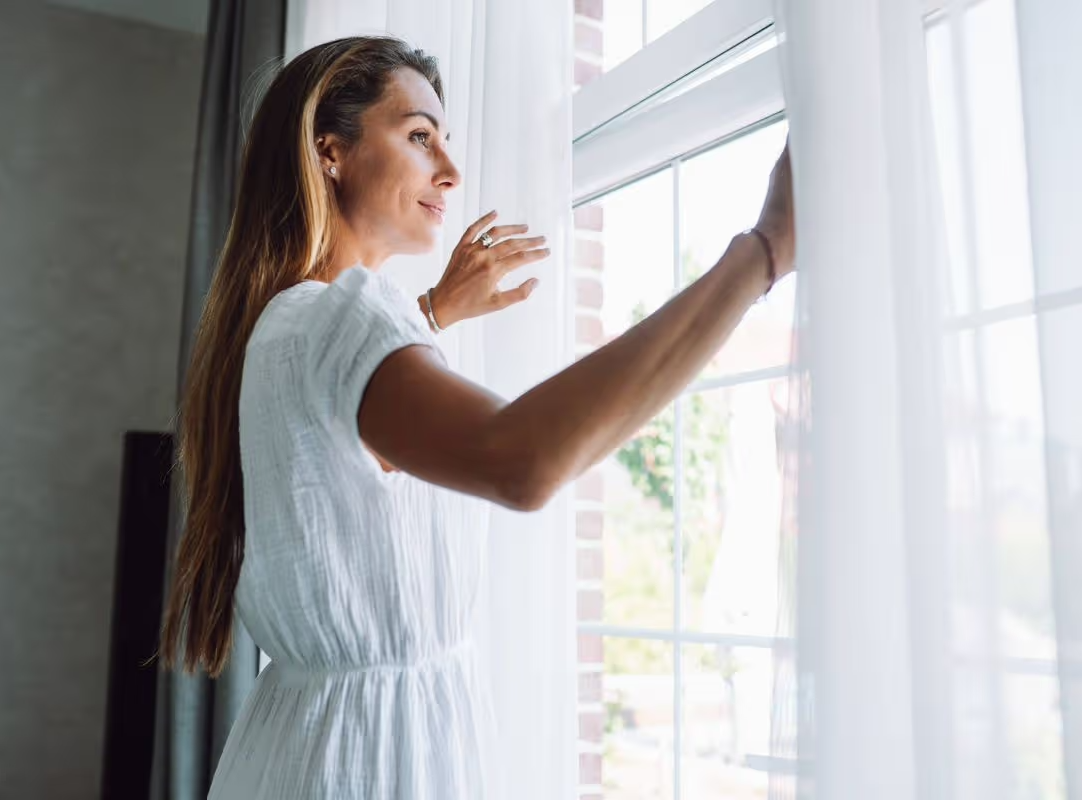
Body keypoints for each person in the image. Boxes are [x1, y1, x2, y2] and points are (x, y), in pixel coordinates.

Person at [155, 34, 795, 800]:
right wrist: (758, 255)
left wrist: (426, 316)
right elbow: (519, 460)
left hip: (305, 750)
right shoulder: (335, 321)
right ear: (331, 152)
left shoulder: (282, 324)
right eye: (420, 136)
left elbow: (343, 445)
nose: (451, 173)